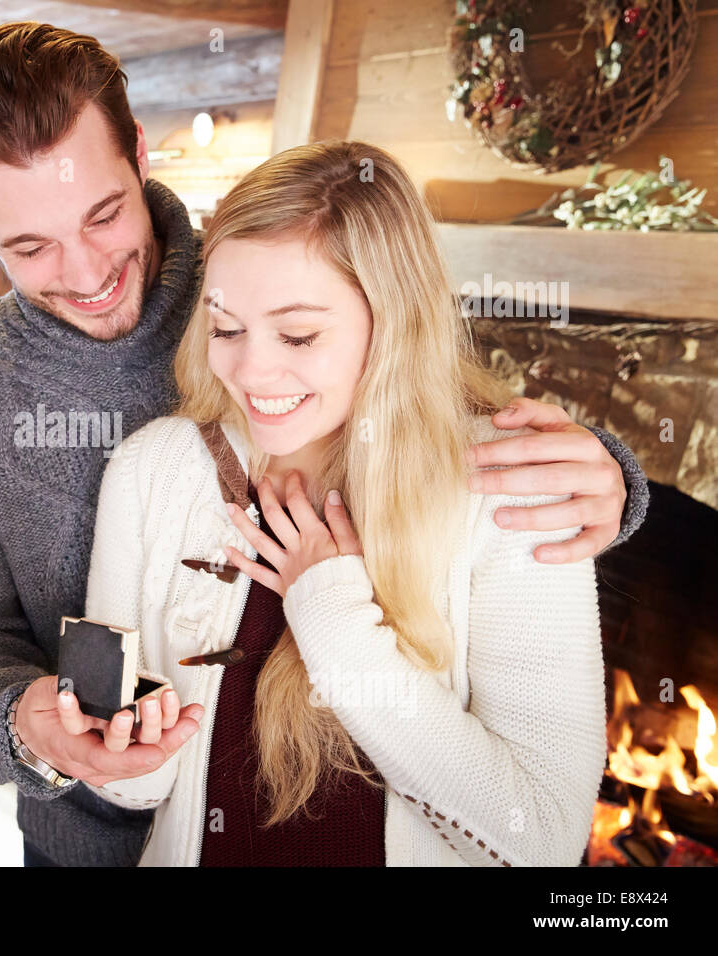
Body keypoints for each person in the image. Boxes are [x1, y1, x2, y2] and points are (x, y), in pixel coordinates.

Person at [0, 22, 648, 867]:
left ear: (139, 153)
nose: (84, 273)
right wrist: (24, 723)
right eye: (29, 247)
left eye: (104, 215)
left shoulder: (265, 266)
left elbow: (435, 391)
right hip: (83, 838)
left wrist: (608, 483)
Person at [81, 141, 613, 866]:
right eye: (226, 326)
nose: (249, 369)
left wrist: (333, 618)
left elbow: (542, 838)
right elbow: (140, 788)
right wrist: (121, 754)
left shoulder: (515, 491)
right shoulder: (151, 471)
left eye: (299, 334)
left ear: (392, 322)